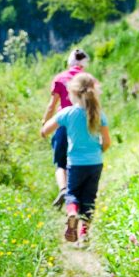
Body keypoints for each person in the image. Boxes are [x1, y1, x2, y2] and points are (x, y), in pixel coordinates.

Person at [40, 73, 110, 243]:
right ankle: (84, 233)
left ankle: (72, 213)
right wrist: (99, 150)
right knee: (89, 198)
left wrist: (42, 130)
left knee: (72, 194)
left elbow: (46, 130)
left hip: (75, 163)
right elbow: (107, 142)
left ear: (72, 93)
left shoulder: (67, 113)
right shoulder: (98, 114)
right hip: (95, 163)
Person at [41, 48, 90, 208]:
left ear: (69, 62)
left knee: (61, 163)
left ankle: (63, 189)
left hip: (63, 123)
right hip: (84, 125)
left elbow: (51, 106)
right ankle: (80, 195)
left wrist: (45, 123)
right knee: (81, 160)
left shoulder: (60, 78)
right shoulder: (88, 80)